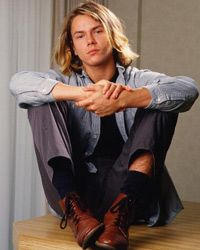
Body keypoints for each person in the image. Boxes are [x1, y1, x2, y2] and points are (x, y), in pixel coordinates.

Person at [10, 1, 199, 250]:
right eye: (80, 35)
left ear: (112, 35)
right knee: (42, 100)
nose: (90, 40)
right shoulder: (64, 81)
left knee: (161, 100)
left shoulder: (136, 79)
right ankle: (75, 210)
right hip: (76, 197)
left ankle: (119, 215)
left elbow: (187, 88)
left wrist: (126, 99)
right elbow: (18, 82)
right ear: (73, 48)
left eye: (97, 30)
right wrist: (81, 94)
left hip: (130, 196)